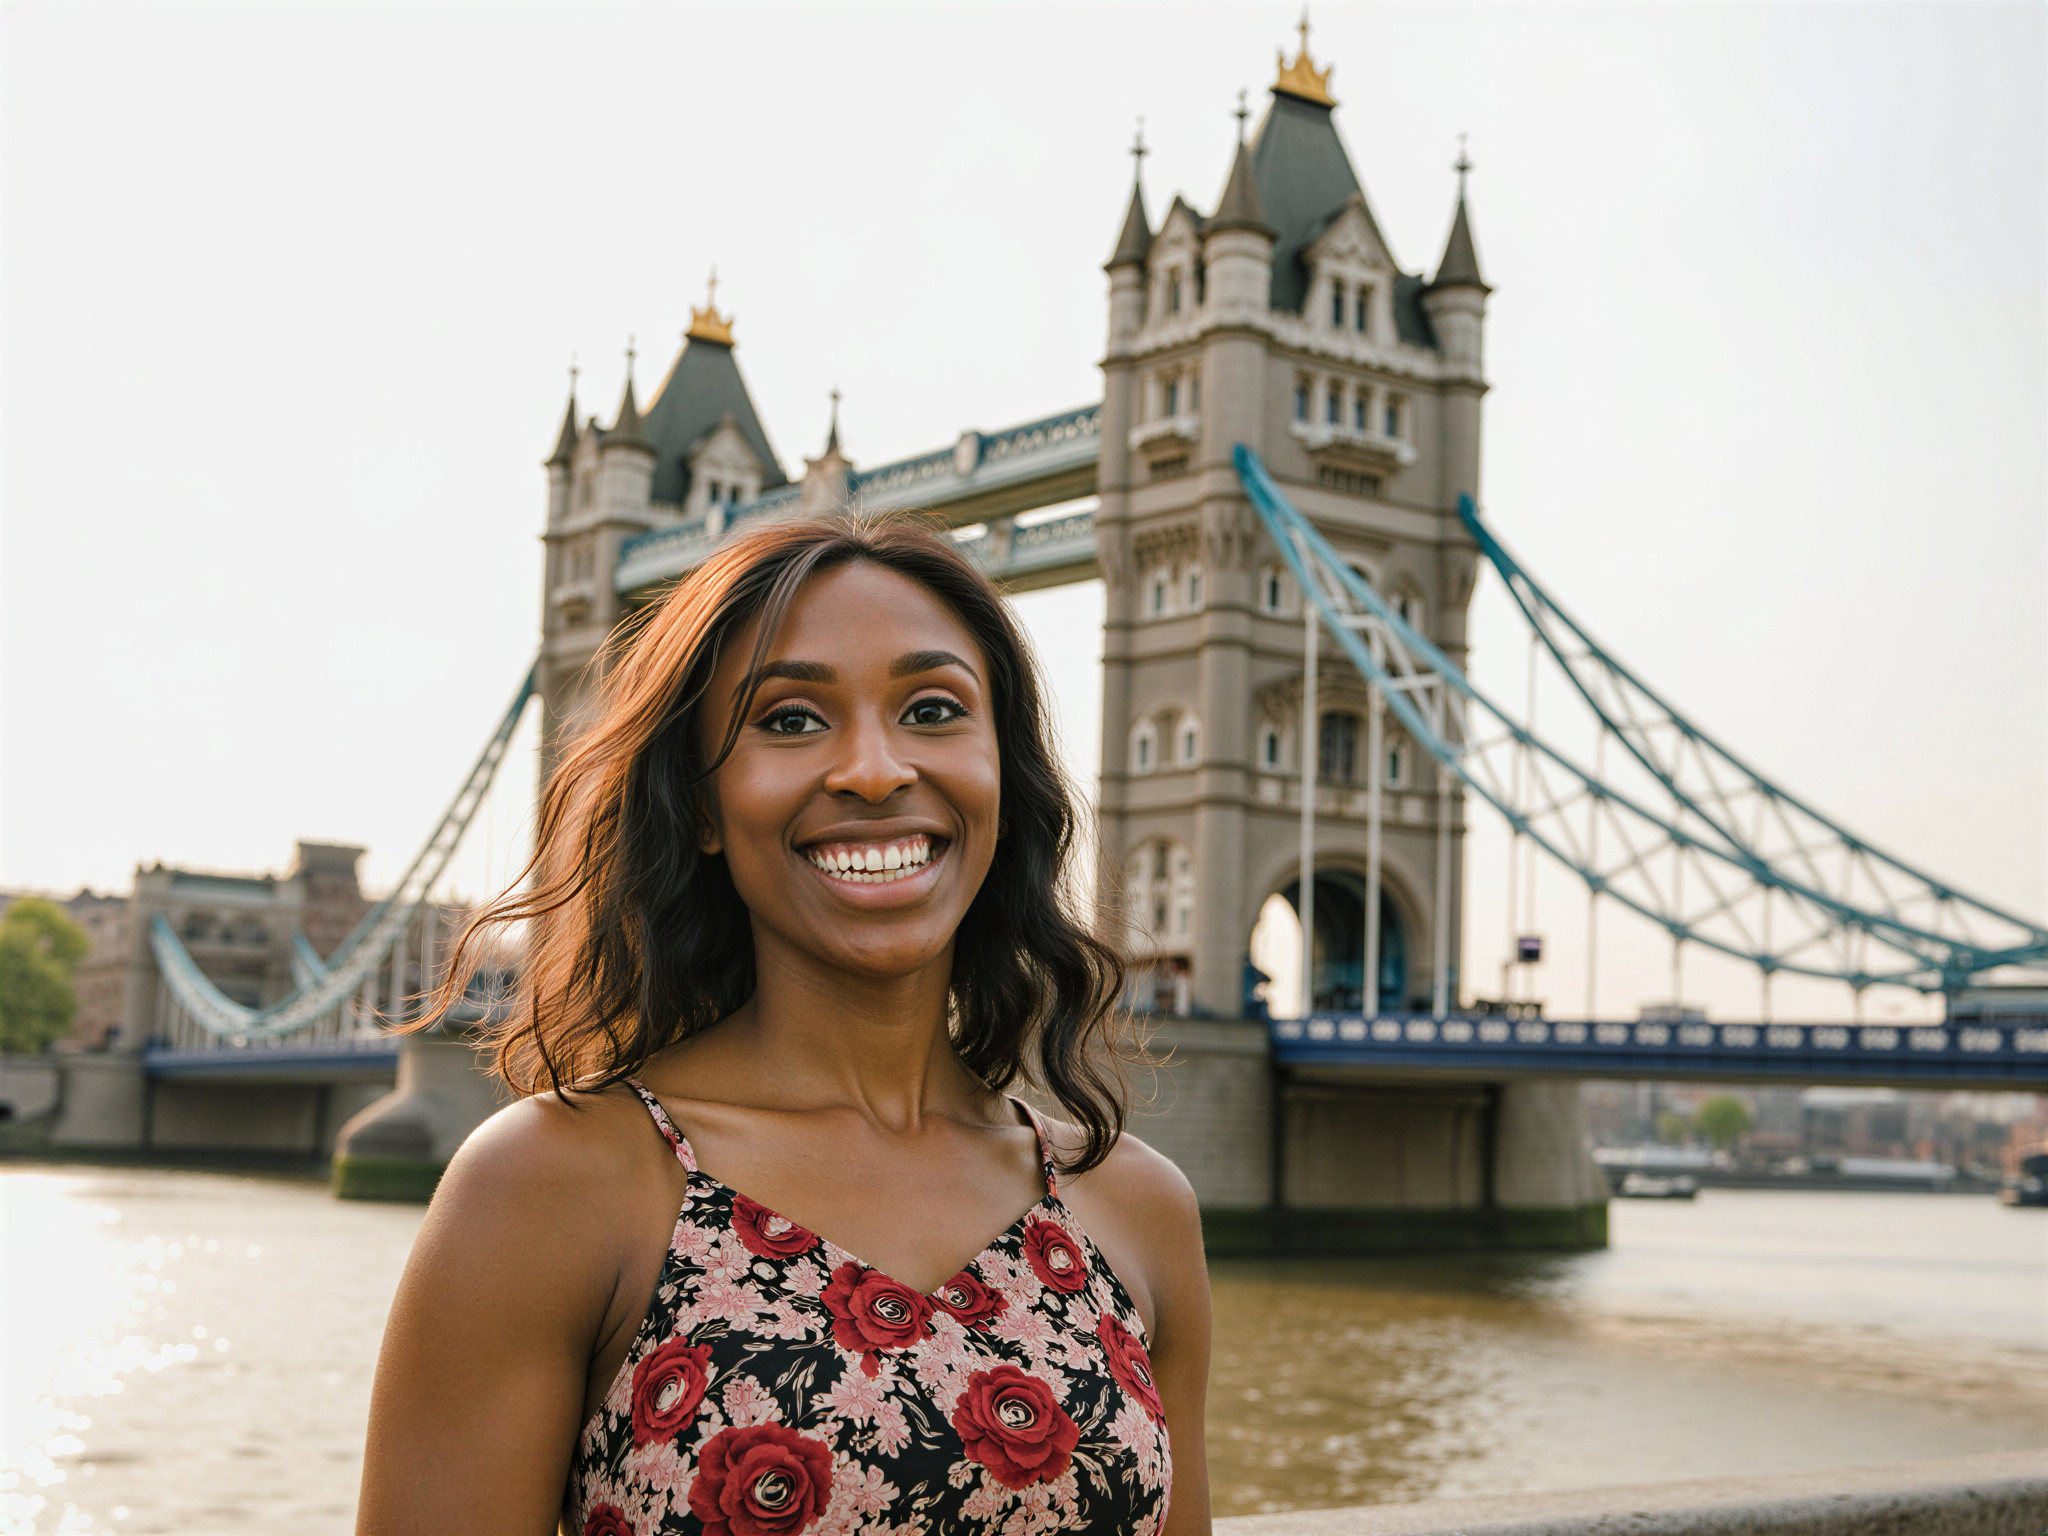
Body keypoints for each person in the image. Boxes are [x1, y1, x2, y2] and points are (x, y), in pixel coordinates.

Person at [357, 517, 1211, 1535]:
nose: (872, 769)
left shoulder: (1136, 1209)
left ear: (1002, 779)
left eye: (932, 708)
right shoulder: (551, 1187)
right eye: (792, 720)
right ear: (702, 807)